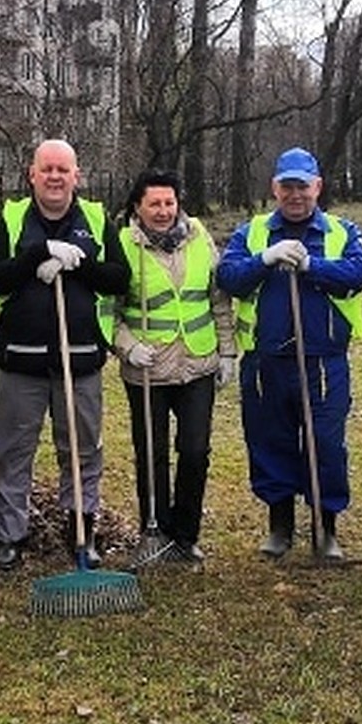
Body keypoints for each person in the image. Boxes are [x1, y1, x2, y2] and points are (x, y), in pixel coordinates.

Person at [217, 147, 362, 560]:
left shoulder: (342, 232)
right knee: (270, 441)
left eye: (303, 186)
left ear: (317, 186)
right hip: (267, 360)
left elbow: (359, 274)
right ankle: (280, 526)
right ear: (275, 188)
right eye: (287, 186)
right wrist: (265, 259)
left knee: (326, 443)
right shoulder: (251, 233)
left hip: (323, 360)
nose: (295, 194)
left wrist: (312, 267)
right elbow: (228, 277)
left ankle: (326, 529)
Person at [0, 138, 130, 570]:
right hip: (20, 360)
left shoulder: (97, 219)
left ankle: (81, 532)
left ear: (76, 176)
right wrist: (36, 256)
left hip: (80, 357)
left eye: (62, 170)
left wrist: (78, 263)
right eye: (46, 169)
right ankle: (8, 536)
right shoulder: (11, 220)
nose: (54, 177)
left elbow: (118, 279)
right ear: (32, 174)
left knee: (83, 450)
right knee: (11, 451)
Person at [114, 168, 236, 562]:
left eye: (169, 202)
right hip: (147, 368)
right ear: (138, 207)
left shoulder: (199, 237)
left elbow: (218, 299)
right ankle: (156, 530)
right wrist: (127, 345)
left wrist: (228, 351)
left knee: (196, 450)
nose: (164, 211)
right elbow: (107, 311)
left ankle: (186, 534)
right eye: (155, 204)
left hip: (197, 363)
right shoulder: (123, 245)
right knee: (151, 452)